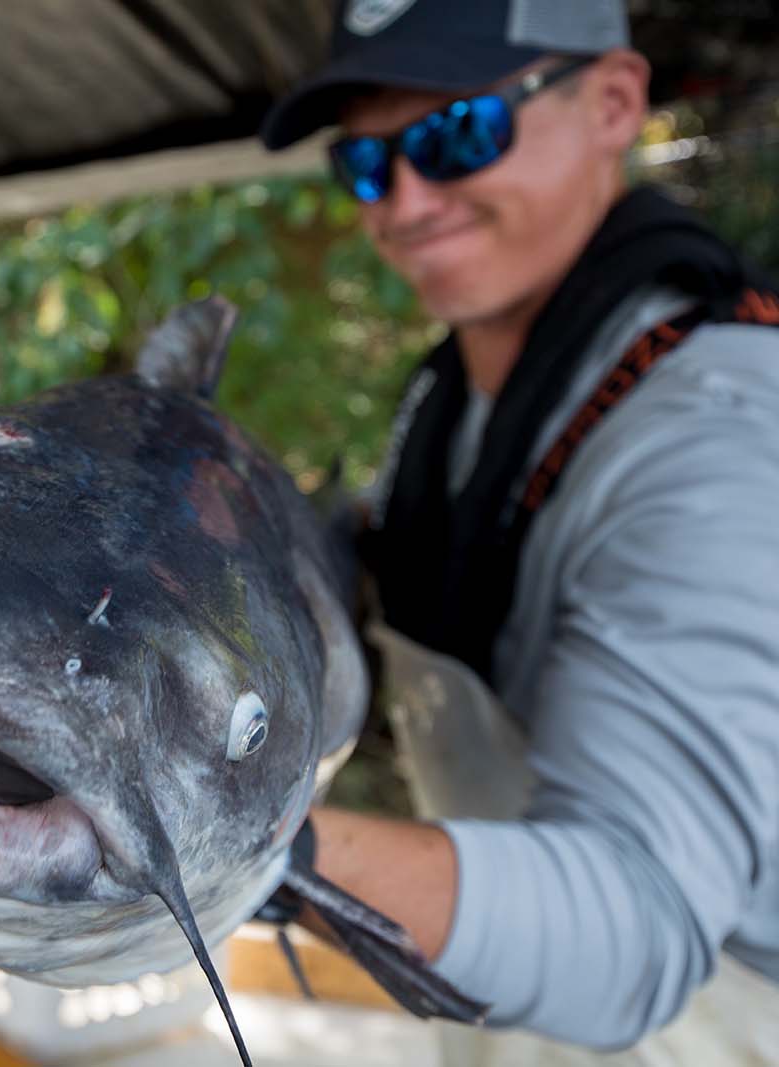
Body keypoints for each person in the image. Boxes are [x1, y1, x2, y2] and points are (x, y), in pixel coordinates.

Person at [256, 0, 779, 1061]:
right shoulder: (460, 402)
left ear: (613, 104)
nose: (404, 198)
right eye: (364, 162)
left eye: (458, 135)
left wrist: (227, 849)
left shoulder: (709, 444)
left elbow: (638, 929)